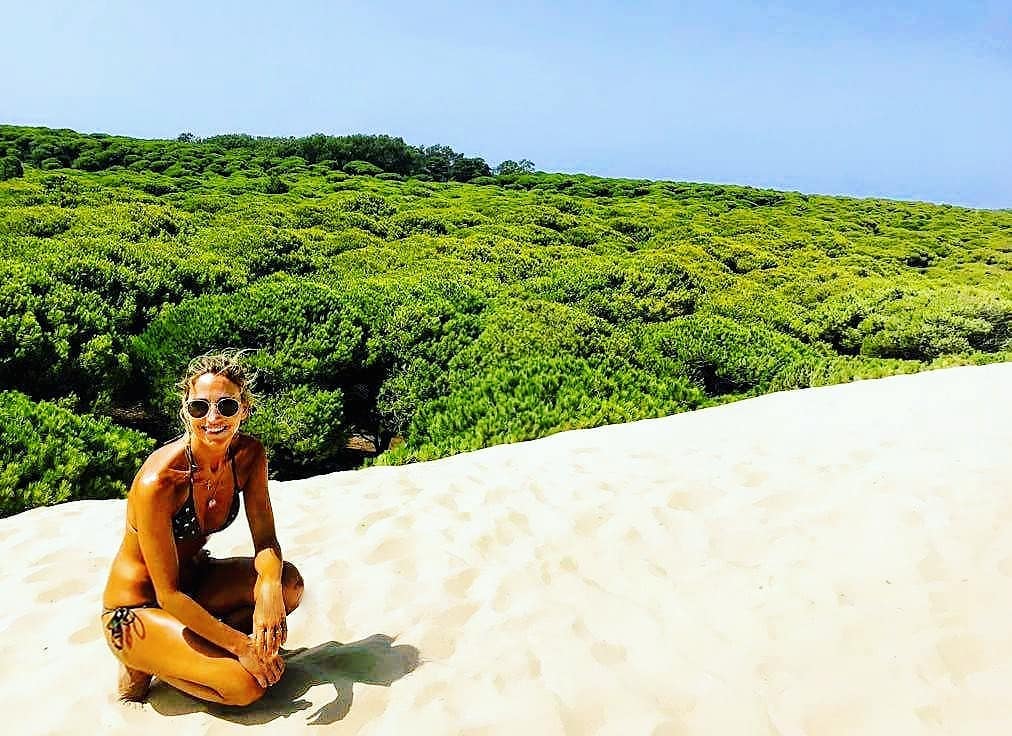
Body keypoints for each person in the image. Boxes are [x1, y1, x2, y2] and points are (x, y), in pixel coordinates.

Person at [100, 350, 304, 706]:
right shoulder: (159, 482)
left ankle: (188, 651)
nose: (213, 418)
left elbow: (266, 540)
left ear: (244, 409)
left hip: (196, 584)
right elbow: (168, 595)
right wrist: (243, 648)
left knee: (289, 585)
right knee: (245, 686)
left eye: (226, 406)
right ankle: (149, 661)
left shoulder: (249, 456)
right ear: (185, 410)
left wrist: (269, 586)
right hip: (134, 612)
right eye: (199, 408)